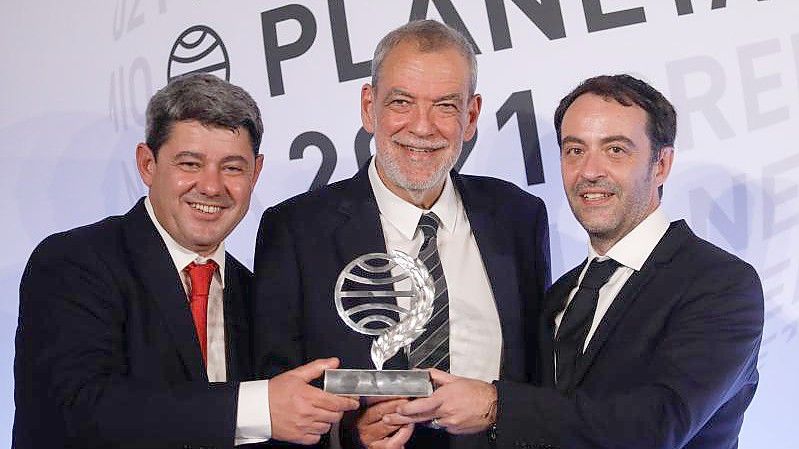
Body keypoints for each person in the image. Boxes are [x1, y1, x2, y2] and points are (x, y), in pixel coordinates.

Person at [384, 74, 765, 449]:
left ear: (661, 165)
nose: (590, 172)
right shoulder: (562, 293)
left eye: (615, 150)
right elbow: (549, 424)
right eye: (575, 150)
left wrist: (496, 404)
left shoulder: (720, 284)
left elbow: (657, 426)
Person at [13, 73, 358, 449]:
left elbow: (283, 424)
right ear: (147, 164)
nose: (211, 186)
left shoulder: (253, 291)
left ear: (256, 174)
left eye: (232, 167)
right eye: (190, 164)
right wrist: (259, 407)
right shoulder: (74, 262)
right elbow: (79, 410)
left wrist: (355, 434)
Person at [252, 20, 551, 449]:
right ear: (368, 106)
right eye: (401, 102)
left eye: (445, 106)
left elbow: (539, 375)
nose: (422, 127)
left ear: (471, 116)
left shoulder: (518, 216)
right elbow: (275, 398)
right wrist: (349, 435)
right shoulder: (296, 230)